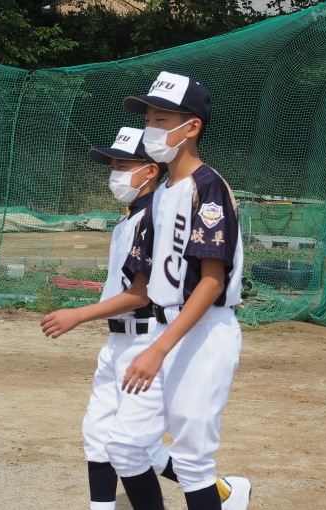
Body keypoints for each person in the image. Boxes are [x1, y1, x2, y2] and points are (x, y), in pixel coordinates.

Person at [40, 127, 245, 510]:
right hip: (129, 337)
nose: (114, 174)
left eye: (122, 165)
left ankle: (225, 492)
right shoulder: (141, 214)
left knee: (176, 454)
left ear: (149, 170)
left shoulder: (187, 195)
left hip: (159, 333)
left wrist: (80, 315)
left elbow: (149, 291)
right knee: (112, 440)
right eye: (113, 166)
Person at [101, 71, 250, 510]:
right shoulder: (162, 193)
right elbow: (145, 282)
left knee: (192, 463)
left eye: (162, 119)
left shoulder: (207, 186)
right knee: (125, 446)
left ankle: (228, 496)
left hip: (203, 333)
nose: (151, 127)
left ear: (191, 127)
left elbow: (211, 281)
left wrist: (158, 349)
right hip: (163, 329)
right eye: (148, 118)